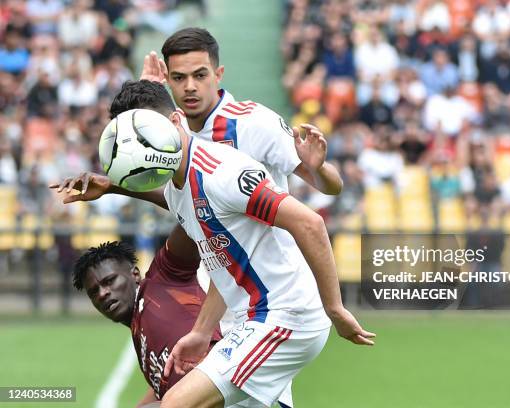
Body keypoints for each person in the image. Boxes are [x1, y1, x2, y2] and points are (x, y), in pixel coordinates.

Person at [52, 86, 374, 408]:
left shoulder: (220, 172)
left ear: (175, 121)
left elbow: (310, 223)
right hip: (255, 317)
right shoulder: (179, 187)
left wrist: (336, 309)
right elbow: (221, 262)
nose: (139, 147)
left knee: (176, 404)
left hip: (286, 315)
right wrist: (201, 332)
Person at [72, 225, 293, 408]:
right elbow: (173, 385)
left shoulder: (163, 278)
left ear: (135, 274)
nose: (103, 293)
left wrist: (119, 188)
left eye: (109, 281)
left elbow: (191, 214)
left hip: (236, 394)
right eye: (94, 291)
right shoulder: (139, 333)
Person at [138, 27, 343, 197]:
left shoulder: (255, 122)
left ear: (218, 75)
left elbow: (333, 188)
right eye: (179, 78)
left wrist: (319, 169)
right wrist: (146, 104)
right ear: (167, 80)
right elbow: (181, 203)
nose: (190, 86)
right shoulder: (171, 128)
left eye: (200, 75)